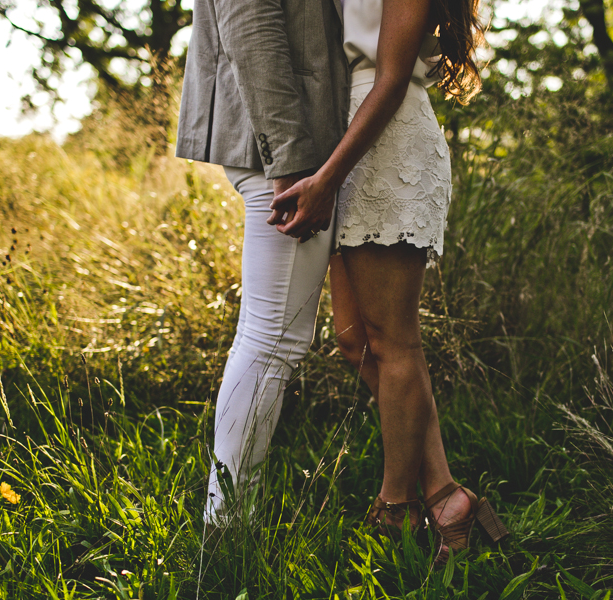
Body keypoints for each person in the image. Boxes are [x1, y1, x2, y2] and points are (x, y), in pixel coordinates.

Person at [268, 0, 509, 563]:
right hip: (348, 135)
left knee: (395, 340)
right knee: (356, 341)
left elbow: (395, 75)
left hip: (386, 136)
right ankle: (447, 494)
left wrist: (327, 176)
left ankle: (395, 509)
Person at [174, 0, 349, 526]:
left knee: (266, 335)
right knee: (273, 341)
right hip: (283, 147)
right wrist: (291, 158)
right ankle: (226, 525)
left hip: (287, 142)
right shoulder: (290, 156)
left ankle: (225, 517)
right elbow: (248, 21)